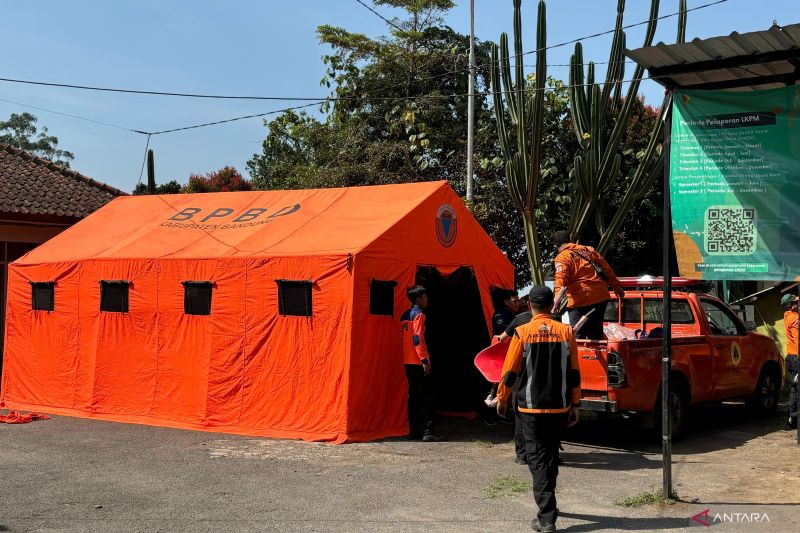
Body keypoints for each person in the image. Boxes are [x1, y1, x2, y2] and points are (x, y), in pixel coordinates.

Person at [496, 286, 580, 533]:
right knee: (550, 457)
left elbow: (510, 371)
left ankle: (546, 518)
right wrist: (576, 403)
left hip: (530, 409)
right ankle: (548, 505)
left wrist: (502, 397)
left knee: (537, 460)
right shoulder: (566, 332)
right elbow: (574, 372)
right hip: (559, 406)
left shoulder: (522, 332)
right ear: (552, 304)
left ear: (530, 303)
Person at [551, 230, 625, 340]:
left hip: (581, 301)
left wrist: (555, 305)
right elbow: (607, 269)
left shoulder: (562, 257)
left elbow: (561, 283)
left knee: (577, 337)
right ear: (570, 240)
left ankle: (579, 357)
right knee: (596, 335)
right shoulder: (588, 250)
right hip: (600, 297)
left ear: (556, 245)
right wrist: (617, 288)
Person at [401, 285, 443, 442]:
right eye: (425, 297)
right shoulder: (419, 314)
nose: (427, 299)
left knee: (414, 397)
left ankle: (414, 430)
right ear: (418, 299)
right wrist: (424, 360)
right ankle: (428, 431)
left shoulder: (405, 315)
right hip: (418, 362)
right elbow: (417, 338)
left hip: (407, 361)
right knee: (429, 397)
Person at [782, 293, 799, 429]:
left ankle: (792, 417)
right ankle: (793, 417)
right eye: (795, 303)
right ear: (790, 306)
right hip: (796, 357)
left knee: (795, 387)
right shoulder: (794, 318)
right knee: (797, 389)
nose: (797, 305)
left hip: (791, 356)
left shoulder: (788, 316)